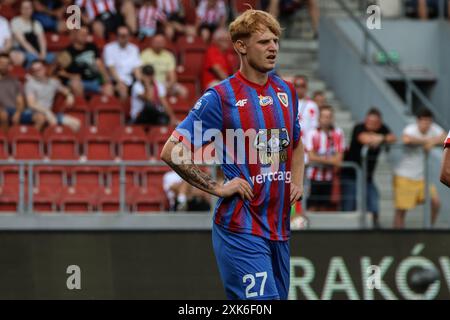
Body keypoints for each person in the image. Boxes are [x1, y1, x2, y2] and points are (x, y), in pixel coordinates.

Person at [160, 9, 304, 300]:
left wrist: (297, 181)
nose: (273, 47)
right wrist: (216, 187)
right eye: (264, 42)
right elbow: (171, 151)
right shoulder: (220, 97)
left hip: (279, 229)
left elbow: (297, 142)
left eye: (275, 41)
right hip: (241, 228)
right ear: (240, 46)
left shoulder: (286, 90)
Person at [341, 108, 396, 228]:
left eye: (374, 123)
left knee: (373, 201)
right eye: (368, 121)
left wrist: (378, 138)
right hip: (350, 174)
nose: (370, 124)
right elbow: (363, 138)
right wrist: (378, 138)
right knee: (349, 203)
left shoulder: (382, 129)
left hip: (367, 176)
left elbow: (393, 138)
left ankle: (375, 227)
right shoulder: (359, 127)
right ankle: (346, 228)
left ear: (379, 123)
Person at [393, 109, 447, 228]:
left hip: (422, 177)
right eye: (424, 121)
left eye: (429, 122)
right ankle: (397, 238)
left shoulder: (433, 128)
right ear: (418, 121)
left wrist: (432, 142)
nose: (426, 125)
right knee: (401, 210)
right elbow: (406, 139)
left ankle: (429, 230)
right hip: (405, 176)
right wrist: (427, 141)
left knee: (436, 203)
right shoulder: (410, 129)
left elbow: (444, 136)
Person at [305, 105, 345, 211]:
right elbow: (311, 156)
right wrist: (330, 161)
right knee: (312, 207)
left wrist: (321, 159)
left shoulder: (338, 133)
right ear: (319, 118)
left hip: (329, 177)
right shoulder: (312, 133)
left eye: (329, 116)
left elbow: (339, 158)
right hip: (313, 177)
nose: (327, 119)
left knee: (325, 208)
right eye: (324, 116)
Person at [25, 60, 80, 132]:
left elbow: (65, 90)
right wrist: (47, 112)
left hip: (50, 114)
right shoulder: (30, 83)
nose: (37, 72)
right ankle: (34, 140)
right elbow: (31, 104)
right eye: (34, 70)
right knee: (42, 118)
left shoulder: (53, 82)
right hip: (33, 112)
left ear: (45, 68)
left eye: (39, 69)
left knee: (76, 124)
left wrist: (70, 95)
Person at [59, 26, 111, 97]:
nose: (85, 36)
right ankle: (82, 106)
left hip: (94, 81)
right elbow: (60, 72)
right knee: (75, 84)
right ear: (76, 35)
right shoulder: (67, 52)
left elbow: (99, 64)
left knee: (109, 88)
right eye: (82, 34)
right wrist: (72, 76)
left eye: (86, 34)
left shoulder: (92, 47)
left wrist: (106, 79)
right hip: (79, 82)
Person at [0, 53, 45, 131]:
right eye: (2, 63)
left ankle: (30, 138)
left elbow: (20, 101)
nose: (4, 65)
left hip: (14, 110)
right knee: (3, 114)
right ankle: (6, 139)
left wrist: (18, 112)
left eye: (6, 63)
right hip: (2, 111)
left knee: (40, 118)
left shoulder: (15, 81)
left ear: (9, 66)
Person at [10, 0, 55, 68]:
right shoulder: (15, 21)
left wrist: (43, 54)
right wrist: (37, 55)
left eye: (29, 8)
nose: (27, 10)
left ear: (32, 9)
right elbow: (23, 42)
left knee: (53, 57)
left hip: (36, 49)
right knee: (31, 58)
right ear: (20, 9)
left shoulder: (36, 23)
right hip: (22, 50)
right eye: (24, 8)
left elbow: (42, 40)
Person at [103, 25, 141, 101]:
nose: (123, 37)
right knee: (120, 89)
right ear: (117, 36)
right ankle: (120, 112)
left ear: (129, 36)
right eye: (121, 35)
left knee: (143, 88)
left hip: (130, 80)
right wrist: (119, 82)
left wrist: (141, 82)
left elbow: (136, 68)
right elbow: (111, 68)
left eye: (125, 35)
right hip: (115, 79)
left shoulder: (134, 48)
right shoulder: (109, 48)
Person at [294, 75, 318, 147]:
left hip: (307, 144)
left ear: (306, 87)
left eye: (302, 85)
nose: (299, 88)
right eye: (296, 85)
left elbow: (314, 126)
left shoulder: (312, 105)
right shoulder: (288, 103)